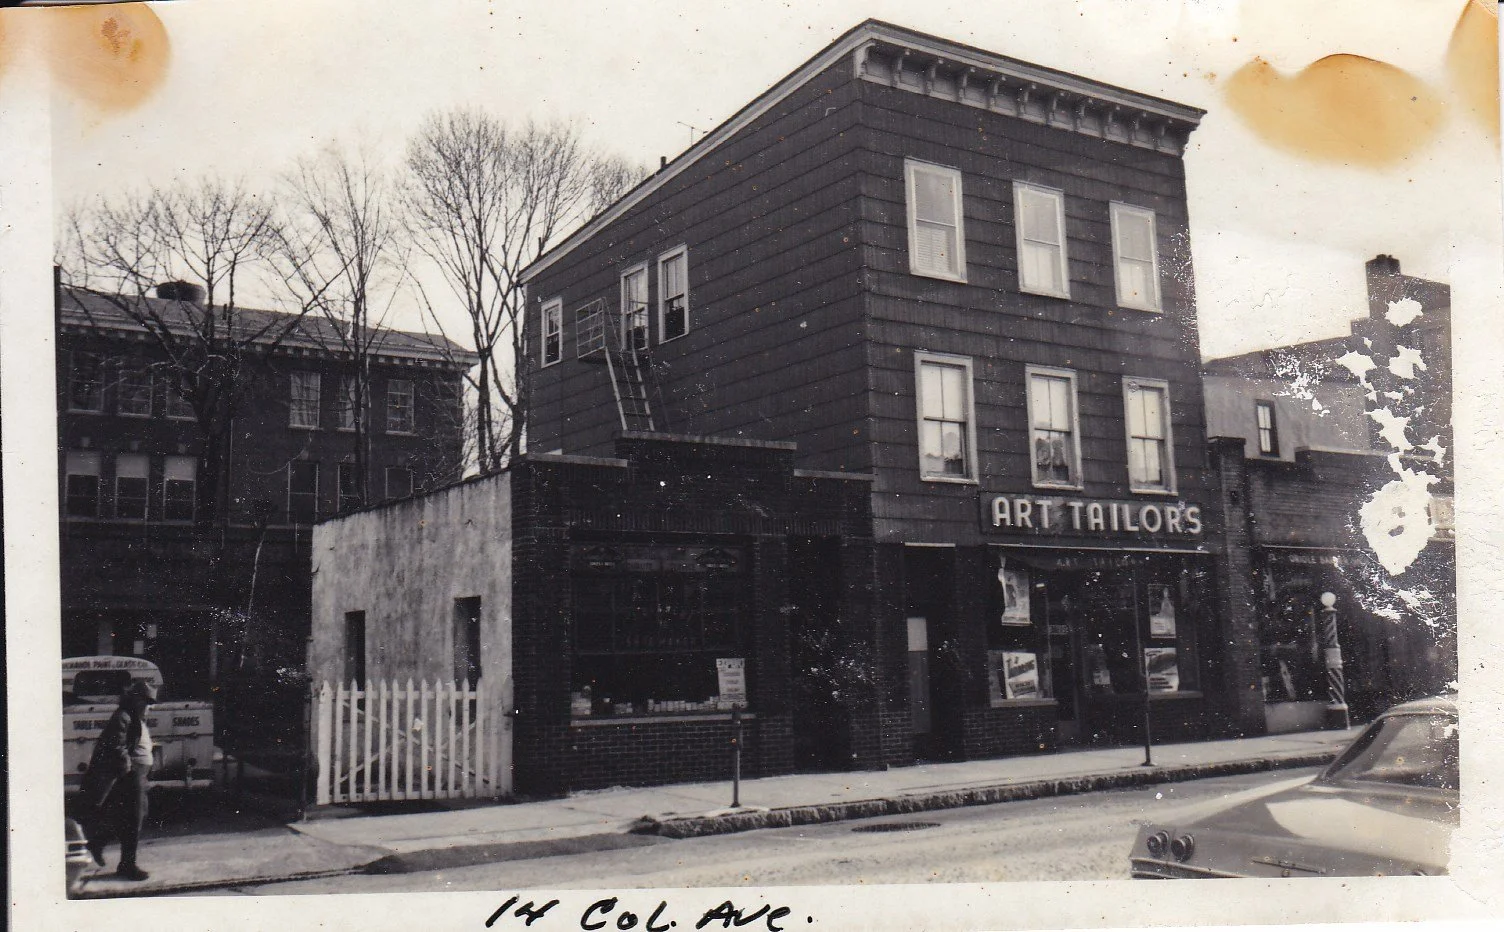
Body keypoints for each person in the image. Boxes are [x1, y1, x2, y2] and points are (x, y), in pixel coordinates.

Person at [80, 678, 156, 881]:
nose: (149, 707)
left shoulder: (135, 717)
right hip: (131, 776)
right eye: (146, 701)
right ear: (135, 699)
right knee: (133, 820)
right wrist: (129, 770)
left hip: (138, 775)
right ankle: (127, 865)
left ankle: (99, 841)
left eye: (151, 703)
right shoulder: (123, 716)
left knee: (132, 818)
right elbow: (117, 746)